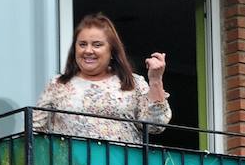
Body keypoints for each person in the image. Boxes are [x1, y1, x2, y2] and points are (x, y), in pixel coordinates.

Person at [33, 13, 170, 143]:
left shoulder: (132, 83)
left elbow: (156, 125)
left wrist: (156, 80)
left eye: (97, 45)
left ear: (112, 51)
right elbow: (34, 131)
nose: (88, 51)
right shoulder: (58, 84)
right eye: (82, 44)